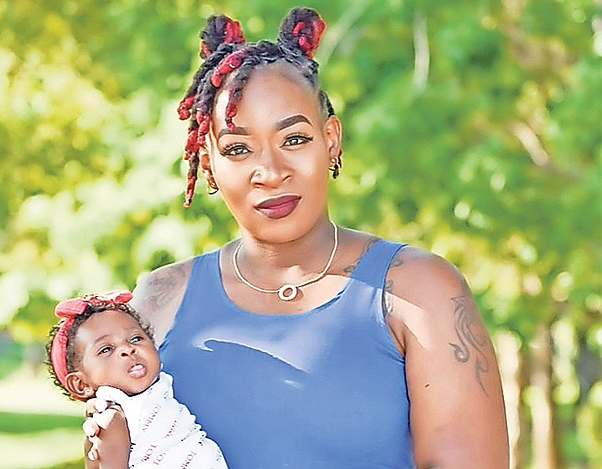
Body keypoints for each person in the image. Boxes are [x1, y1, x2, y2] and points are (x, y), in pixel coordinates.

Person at [84, 7, 510, 469]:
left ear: (331, 139)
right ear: (208, 164)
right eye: (238, 149)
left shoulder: (420, 291)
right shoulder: (157, 303)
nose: (269, 172)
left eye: (294, 140)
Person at [46, 289, 227, 468]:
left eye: (135, 338)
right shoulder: (113, 418)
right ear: (81, 384)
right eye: (106, 349)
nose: (128, 349)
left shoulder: (158, 387)